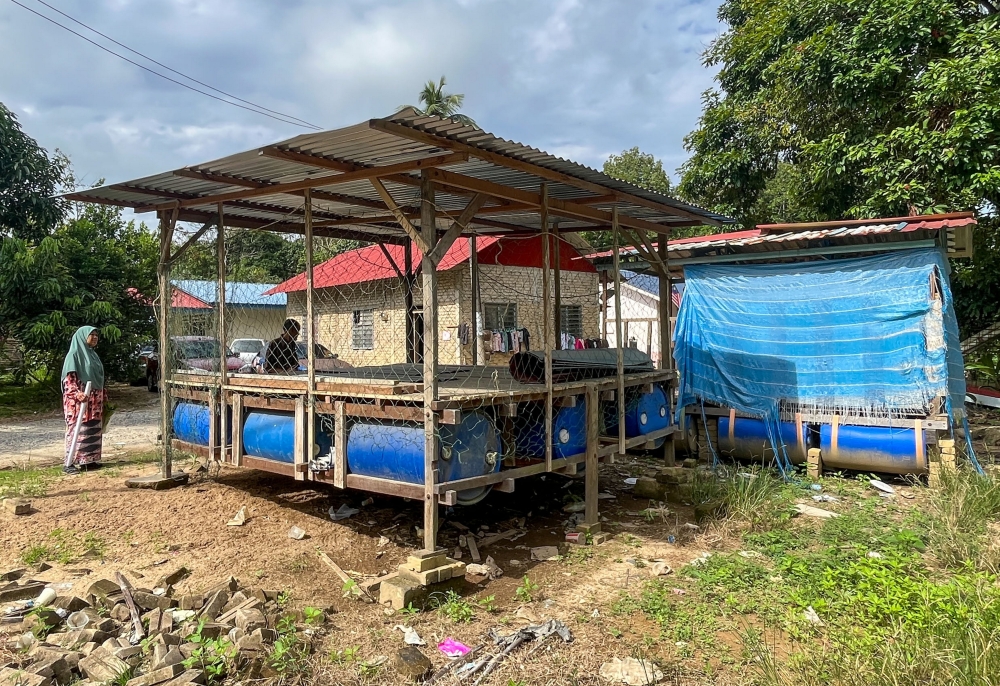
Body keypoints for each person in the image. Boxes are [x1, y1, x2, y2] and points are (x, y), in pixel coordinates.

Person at [61, 326, 107, 474]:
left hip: (95, 402)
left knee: (92, 429)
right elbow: (69, 381)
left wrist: (103, 393)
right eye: (91, 335)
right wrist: (77, 393)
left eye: (96, 335)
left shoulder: (93, 355)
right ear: (82, 337)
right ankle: (69, 463)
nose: (95, 337)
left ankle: (89, 461)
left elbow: (98, 378)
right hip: (79, 402)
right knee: (77, 430)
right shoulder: (74, 355)